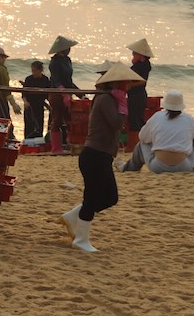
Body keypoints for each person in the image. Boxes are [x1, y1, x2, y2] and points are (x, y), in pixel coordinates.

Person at [59, 62, 141, 252]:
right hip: (94, 155)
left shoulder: (110, 99)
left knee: (110, 197)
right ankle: (81, 240)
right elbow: (117, 124)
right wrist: (122, 105)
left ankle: (73, 216)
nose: (127, 87)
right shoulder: (105, 99)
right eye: (125, 84)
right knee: (92, 197)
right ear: (115, 84)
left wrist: (121, 104)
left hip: (102, 156)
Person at [119, 90, 194, 174]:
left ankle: (129, 168)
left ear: (166, 105)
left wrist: (156, 139)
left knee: (142, 143)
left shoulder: (157, 116)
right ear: (181, 106)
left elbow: (143, 137)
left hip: (157, 166)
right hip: (185, 166)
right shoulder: (188, 118)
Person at [48, 36, 80, 153]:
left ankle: (71, 144)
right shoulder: (54, 63)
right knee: (57, 119)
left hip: (68, 92)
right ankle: (56, 148)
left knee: (70, 119)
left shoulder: (67, 60)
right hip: (57, 94)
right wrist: (63, 92)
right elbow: (56, 80)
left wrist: (79, 93)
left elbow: (69, 80)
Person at [126, 38, 154, 132]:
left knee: (135, 121)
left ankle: (135, 142)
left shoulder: (142, 65)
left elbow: (143, 81)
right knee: (135, 119)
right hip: (136, 95)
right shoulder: (142, 64)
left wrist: (130, 85)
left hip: (137, 95)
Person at [21, 61, 51, 139]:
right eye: (32, 70)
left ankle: (39, 144)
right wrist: (25, 102)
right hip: (29, 106)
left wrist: (49, 105)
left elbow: (47, 95)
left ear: (40, 70)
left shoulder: (45, 80)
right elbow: (24, 94)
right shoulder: (29, 79)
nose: (33, 73)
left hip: (40, 106)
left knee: (39, 126)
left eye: (35, 71)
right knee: (28, 127)